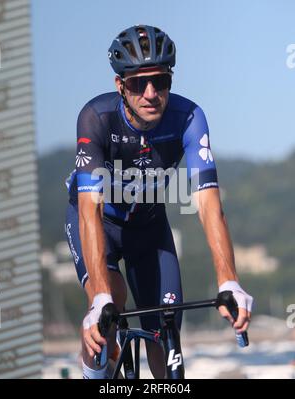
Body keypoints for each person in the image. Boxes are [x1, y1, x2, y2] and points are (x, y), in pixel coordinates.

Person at [65, 24, 253, 379]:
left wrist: (229, 281)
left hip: (149, 230)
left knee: (167, 338)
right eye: (138, 83)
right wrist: (100, 298)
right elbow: (90, 211)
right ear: (120, 86)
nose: (151, 93)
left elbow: (209, 204)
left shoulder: (189, 118)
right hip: (98, 225)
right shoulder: (96, 117)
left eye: (161, 81)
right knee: (105, 317)